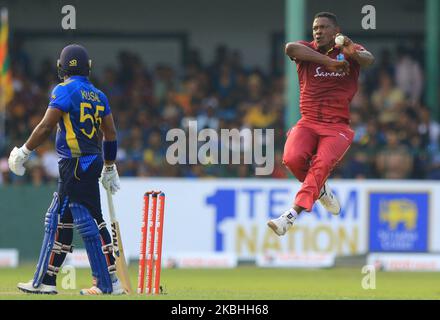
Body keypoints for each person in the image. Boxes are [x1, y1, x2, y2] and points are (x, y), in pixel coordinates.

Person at [8, 44, 124, 295]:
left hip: (74, 163)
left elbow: (46, 126)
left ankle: (105, 282)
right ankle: (52, 280)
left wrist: (24, 151)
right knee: (69, 221)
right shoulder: (98, 95)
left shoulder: (63, 90)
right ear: (88, 67)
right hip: (90, 161)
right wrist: (110, 166)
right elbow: (111, 133)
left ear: (61, 67)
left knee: (70, 219)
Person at [268, 12, 374, 236]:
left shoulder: (347, 52)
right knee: (292, 159)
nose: (318, 30)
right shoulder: (306, 50)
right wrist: (329, 62)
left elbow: (369, 60)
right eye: (316, 27)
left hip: (337, 128)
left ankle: (290, 216)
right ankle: (322, 191)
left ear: (336, 31)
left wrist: (351, 49)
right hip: (308, 122)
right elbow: (289, 48)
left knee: (321, 163)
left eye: (324, 27)